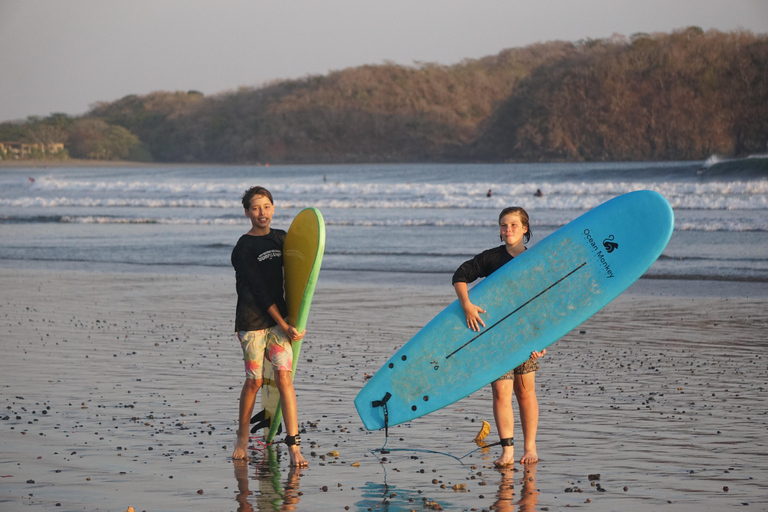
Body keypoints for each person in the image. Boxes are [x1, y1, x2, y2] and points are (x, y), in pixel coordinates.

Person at [452, 206, 545, 466]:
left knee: (526, 393)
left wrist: (543, 340)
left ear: (525, 228)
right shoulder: (491, 258)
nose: (508, 230)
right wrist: (466, 305)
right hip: (495, 337)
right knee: (501, 394)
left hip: (526, 336)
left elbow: (546, 303)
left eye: (514, 225)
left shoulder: (536, 259)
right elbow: (460, 275)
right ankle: (508, 450)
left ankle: (530, 448)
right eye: (504, 225)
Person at [231, 185, 308, 467]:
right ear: (247, 212)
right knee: (254, 381)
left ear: (273, 208)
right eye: (255, 208)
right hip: (252, 322)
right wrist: (284, 324)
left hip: (280, 324)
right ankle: (242, 438)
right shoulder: (244, 247)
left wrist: (297, 319)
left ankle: (293, 445)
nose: (261, 213)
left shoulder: (281, 239)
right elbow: (260, 292)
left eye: (266, 206)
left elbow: (299, 280)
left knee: (285, 378)